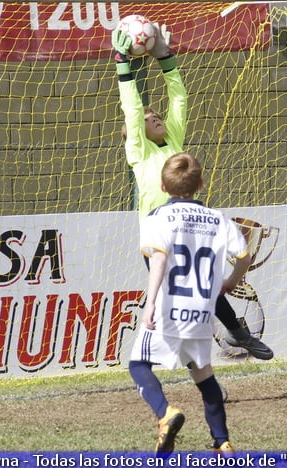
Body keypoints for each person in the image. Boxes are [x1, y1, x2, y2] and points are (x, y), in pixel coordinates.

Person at [111, 24, 273, 361]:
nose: (153, 116)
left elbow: (179, 98)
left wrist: (166, 60)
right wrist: (121, 63)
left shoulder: (173, 143)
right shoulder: (139, 151)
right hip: (157, 236)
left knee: (205, 286)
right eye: (147, 116)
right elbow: (132, 108)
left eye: (156, 115)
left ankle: (236, 336)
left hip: (187, 227)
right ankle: (182, 357)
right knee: (183, 298)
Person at [129, 152, 250, 453]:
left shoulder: (157, 217)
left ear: (162, 186)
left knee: (138, 365)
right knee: (203, 374)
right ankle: (223, 442)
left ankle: (166, 414)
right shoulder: (218, 219)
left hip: (169, 310)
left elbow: (158, 259)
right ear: (202, 183)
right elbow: (245, 255)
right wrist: (232, 281)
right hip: (201, 313)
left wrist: (150, 302)